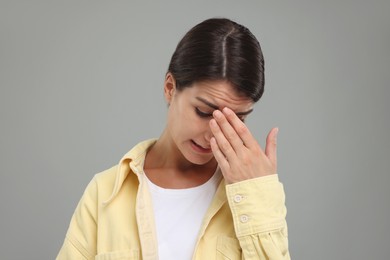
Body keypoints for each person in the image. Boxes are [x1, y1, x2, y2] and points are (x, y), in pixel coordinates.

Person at [57, 18, 290, 260]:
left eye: (237, 119)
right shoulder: (104, 193)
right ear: (170, 88)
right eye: (203, 111)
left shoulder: (252, 196)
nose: (214, 134)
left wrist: (256, 193)